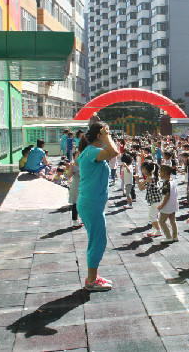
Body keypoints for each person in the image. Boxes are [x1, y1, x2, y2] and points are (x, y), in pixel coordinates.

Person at [77, 122, 119, 291]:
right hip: (91, 204)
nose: (110, 135)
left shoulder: (91, 152)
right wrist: (107, 136)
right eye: (106, 132)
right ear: (99, 135)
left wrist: (105, 135)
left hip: (91, 203)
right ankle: (91, 280)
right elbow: (114, 152)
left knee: (96, 240)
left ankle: (93, 276)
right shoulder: (92, 152)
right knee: (98, 241)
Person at [157, 164, 179, 243]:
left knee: (162, 221)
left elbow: (167, 195)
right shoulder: (172, 181)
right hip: (173, 205)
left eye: (160, 172)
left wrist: (161, 206)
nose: (159, 174)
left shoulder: (166, 183)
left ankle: (168, 236)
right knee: (173, 221)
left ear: (164, 173)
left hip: (167, 206)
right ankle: (175, 236)